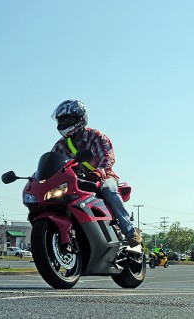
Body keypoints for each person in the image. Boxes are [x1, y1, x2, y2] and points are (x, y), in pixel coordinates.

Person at [51, 99, 142, 247]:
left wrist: (100, 172)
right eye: (61, 120)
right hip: (76, 181)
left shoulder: (97, 136)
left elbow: (108, 157)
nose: (63, 123)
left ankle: (130, 232)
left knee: (108, 190)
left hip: (104, 177)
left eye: (67, 119)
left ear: (79, 119)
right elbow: (53, 162)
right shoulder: (60, 145)